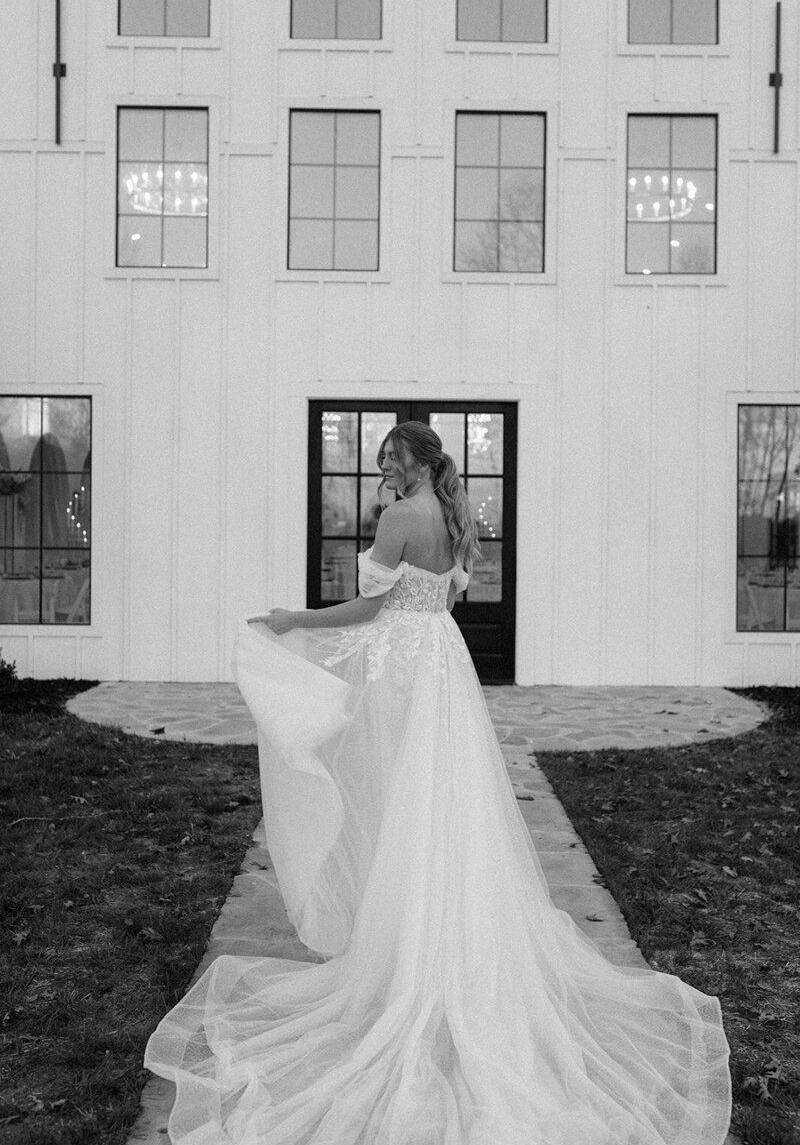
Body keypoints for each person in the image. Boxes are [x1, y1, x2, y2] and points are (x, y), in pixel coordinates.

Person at [144, 421, 733, 1144]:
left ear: (417, 461)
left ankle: (410, 962)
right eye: (380, 459)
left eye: (390, 458)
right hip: (443, 667)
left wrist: (292, 619)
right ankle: (434, 942)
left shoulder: (398, 518)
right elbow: (442, 604)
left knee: (403, 799)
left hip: (404, 672)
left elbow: (369, 609)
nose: (381, 468)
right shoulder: (455, 518)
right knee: (444, 803)